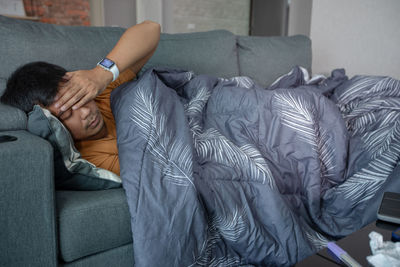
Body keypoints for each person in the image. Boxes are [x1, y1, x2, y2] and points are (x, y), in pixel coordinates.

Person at [1, 20, 161, 175]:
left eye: (80, 97)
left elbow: (151, 28)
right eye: (67, 114)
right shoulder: (91, 157)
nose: (85, 112)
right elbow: (161, 167)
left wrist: (101, 74)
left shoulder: (101, 91)